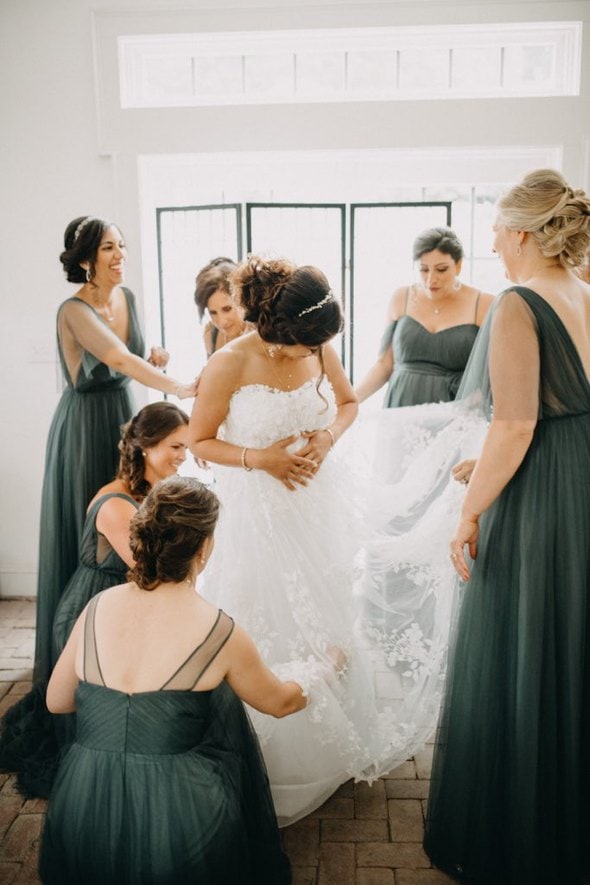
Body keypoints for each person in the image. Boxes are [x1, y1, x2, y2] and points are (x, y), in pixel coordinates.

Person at [188, 255, 436, 826]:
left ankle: (329, 750)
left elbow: (349, 404)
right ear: (277, 333)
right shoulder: (228, 363)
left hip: (315, 508)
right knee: (261, 618)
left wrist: (325, 438)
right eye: (304, 348)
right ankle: (267, 761)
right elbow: (200, 441)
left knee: (326, 620)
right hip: (255, 515)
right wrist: (261, 459)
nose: (313, 356)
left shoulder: (319, 341)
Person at [423, 169, 590, 883]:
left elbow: (517, 423)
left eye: (495, 226)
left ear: (522, 232)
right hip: (578, 472)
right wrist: (485, 464)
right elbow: (552, 412)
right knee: (570, 636)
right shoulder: (583, 292)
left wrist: (469, 512)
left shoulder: (520, 302)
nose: (490, 239)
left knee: (525, 635)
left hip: (542, 495)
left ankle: (520, 824)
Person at [39, 476, 305, 885]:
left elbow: (57, 702)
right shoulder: (218, 630)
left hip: (85, 799)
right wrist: (318, 674)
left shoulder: (97, 606)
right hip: (179, 809)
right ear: (203, 549)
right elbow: (280, 703)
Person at [35, 216, 197, 684]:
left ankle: (135, 636)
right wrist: (180, 386)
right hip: (84, 426)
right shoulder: (72, 310)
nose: (120, 254)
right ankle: (77, 652)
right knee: (98, 527)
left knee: (134, 521)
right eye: (108, 247)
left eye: (122, 245)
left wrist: (156, 360)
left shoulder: (126, 298)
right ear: (86, 259)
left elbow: (137, 358)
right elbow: (120, 359)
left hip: (124, 414)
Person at [0, 402, 190, 799]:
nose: (183, 456)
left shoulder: (153, 490)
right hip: (90, 610)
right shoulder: (117, 505)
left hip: (121, 605)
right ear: (145, 447)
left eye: (185, 447)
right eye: (175, 447)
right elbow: (150, 569)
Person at [355, 227, 494, 407]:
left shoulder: (483, 304)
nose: (431, 279)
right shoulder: (401, 298)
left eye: (441, 269)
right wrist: (351, 401)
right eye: (423, 269)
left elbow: (497, 369)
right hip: (401, 406)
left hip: (456, 411)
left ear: (458, 265)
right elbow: (384, 365)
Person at [194, 256, 251, 358]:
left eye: (227, 309)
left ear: (242, 299)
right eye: (213, 312)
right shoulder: (211, 334)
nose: (222, 322)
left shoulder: (261, 335)